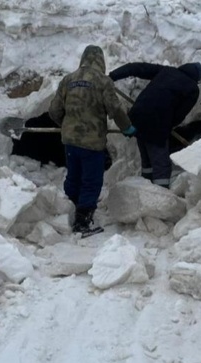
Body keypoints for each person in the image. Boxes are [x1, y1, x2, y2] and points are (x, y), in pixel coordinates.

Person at [49, 45, 136, 236]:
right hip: (92, 143)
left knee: (74, 175)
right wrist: (126, 127)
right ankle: (82, 221)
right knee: (91, 180)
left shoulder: (68, 79)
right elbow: (115, 109)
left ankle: (70, 207)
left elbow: (54, 110)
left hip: (70, 141)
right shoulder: (103, 81)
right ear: (100, 61)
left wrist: (67, 124)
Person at [109, 61, 201, 188]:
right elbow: (181, 114)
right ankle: (160, 195)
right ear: (197, 79)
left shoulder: (166, 71)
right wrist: (168, 125)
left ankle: (144, 188)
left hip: (136, 116)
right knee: (161, 164)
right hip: (157, 123)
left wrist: (112, 76)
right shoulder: (192, 88)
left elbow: (138, 68)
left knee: (147, 160)